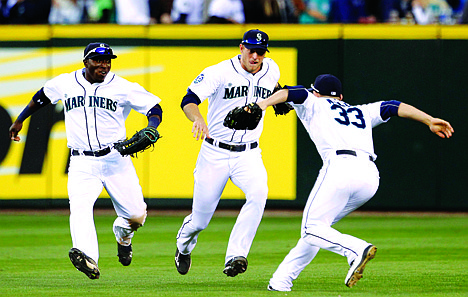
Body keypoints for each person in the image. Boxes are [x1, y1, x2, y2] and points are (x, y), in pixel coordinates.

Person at [254, 74, 453, 291]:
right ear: (341, 96)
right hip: (369, 177)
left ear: (316, 92)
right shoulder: (361, 111)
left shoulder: (313, 101)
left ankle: (356, 249)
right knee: (320, 228)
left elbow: (293, 93)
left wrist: (262, 104)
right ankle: (281, 281)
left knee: (312, 228)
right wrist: (429, 120)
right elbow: (393, 106)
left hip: (340, 167)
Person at [9, 42, 163, 280]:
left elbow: (154, 107)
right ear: (86, 62)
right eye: (98, 60)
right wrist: (20, 120)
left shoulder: (122, 86)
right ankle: (88, 258)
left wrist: (152, 126)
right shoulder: (65, 82)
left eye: (108, 60)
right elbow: (42, 97)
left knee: (136, 216)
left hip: (115, 158)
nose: (104, 64)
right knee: (80, 209)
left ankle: (123, 235)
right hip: (82, 162)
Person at [174, 29, 280, 277]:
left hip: (249, 152)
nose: (255, 56)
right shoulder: (219, 72)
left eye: (260, 51)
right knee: (200, 221)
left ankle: (236, 256)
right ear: (241, 47)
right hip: (215, 152)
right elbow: (188, 99)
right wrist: (198, 118)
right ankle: (183, 246)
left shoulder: (271, 68)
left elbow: (274, 86)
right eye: (251, 50)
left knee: (258, 194)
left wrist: (278, 100)